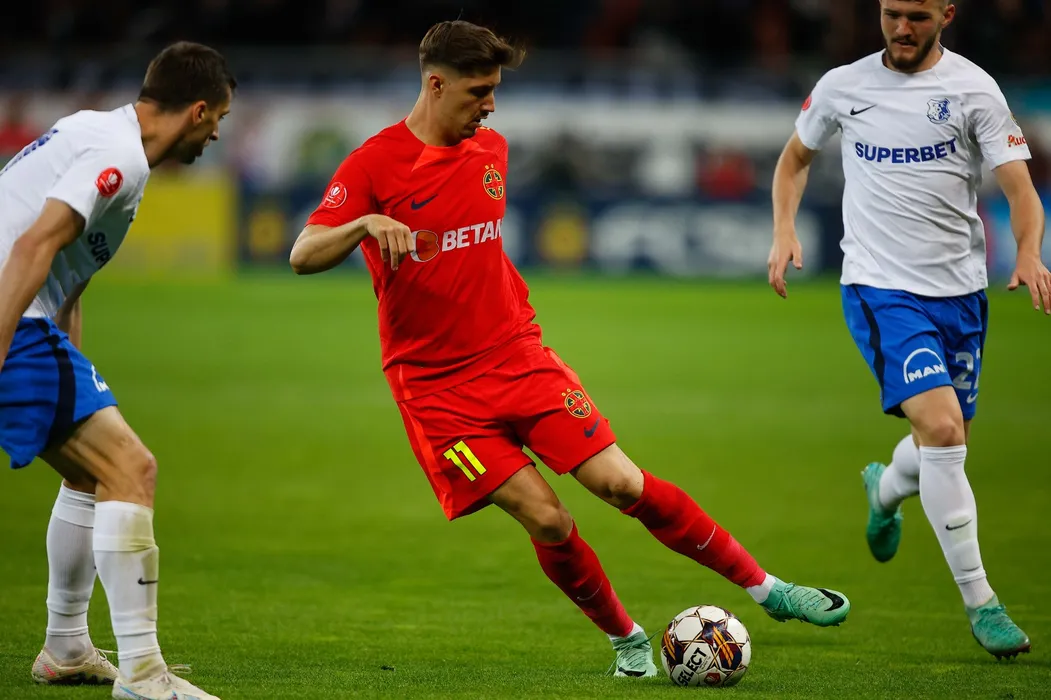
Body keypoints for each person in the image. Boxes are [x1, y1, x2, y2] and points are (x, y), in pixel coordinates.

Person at [290, 19, 850, 677]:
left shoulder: (490, 151)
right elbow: (303, 254)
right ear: (435, 85)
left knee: (621, 482)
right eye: (477, 91)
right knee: (547, 520)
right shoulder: (373, 164)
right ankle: (627, 642)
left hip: (518, 358)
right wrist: (362, 223)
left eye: (494, 90)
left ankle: (769, 589)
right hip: (439, 395)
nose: (490, 105)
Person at [768, 0, 1047, 660]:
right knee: (944, 431)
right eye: (891, 13)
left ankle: (886, 491)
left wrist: (1029, 251)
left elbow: (1019, 188)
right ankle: (981, 603)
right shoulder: (844, 85)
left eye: (917, 16)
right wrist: (783, 229)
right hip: (880, 288)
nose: (901, 27)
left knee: (943, 443)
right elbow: (793, 159)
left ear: (946, 14)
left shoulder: (974, 89)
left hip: (960, 293)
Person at [0, 41, 236, 699]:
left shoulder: (95, 131)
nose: (218, 134)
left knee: (90, 474)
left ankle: (66, 646)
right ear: (197, 111)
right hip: (11, 314)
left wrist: (72, 366)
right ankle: (143, 675)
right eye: (218, 118)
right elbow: (34, 243)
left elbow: (67, 278)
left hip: (32, 317)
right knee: (132, 469)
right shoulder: (120, 158)